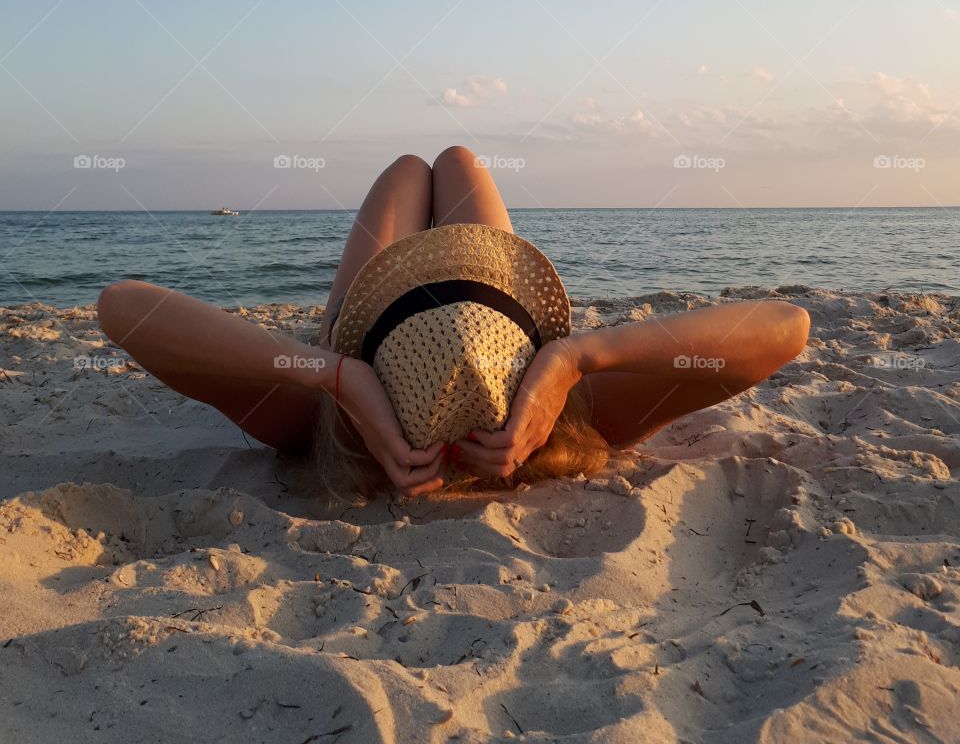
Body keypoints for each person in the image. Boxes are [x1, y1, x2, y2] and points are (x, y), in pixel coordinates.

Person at [97, 146, 810, 500]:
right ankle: (476, 291)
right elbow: (787, 327)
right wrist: (571, 363)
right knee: (457, 161)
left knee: (414, 169)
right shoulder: (576, 422)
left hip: (371, 350)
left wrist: (338, 371)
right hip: (493, 339)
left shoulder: (311, 419)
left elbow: (123, 307)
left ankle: (405, 296)